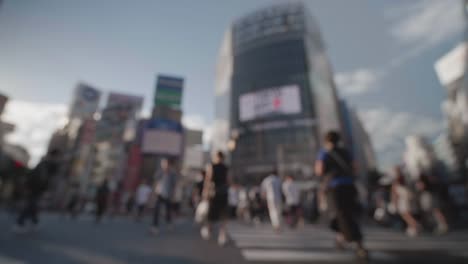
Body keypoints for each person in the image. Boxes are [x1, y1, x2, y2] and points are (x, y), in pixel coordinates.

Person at [314, 131, 367, 259]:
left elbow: (319, 171)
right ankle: (341, 239)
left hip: (335, 187)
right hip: (350, 186)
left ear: (326, 141)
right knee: (346, 214)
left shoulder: (324, 152)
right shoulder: (346, 152)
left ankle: (359, 245)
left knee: (342, 215)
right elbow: (355, 168)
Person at [14, 149, 60, 233]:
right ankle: (21, 223)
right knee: (31, 204)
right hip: (39, 187)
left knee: (32, 204)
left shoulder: (43, 162)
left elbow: (32, 173)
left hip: (33, 186)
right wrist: (49, 189)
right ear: (56, 156)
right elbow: (51, 178)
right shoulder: (52, 164)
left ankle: (33, 222)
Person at [201, 151, 229, 246]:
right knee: (223, 215)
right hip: (223, 192)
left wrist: (205, 193)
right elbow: (229, 180)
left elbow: (208, 180)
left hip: (214, 193)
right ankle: (222, 235)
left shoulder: (212, 166)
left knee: (211, 213)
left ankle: (209, 229)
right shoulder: (226, 168)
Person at [391, 166, 420, 237]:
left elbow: (395, 194)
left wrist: (394, 203)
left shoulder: (395, 182)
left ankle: (415, 226)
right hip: (408, 198)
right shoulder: (405, 179)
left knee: (406, 215)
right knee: (407, 214)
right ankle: (413, 226)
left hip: (402, 200)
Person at [151, 158, 177, 235]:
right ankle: (154, 226)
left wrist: (173, 194)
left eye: (166, 163)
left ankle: (169, 223)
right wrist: (153, 193)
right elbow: (155, 182)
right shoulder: (159, 172)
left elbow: (174, 185)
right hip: (159, 194)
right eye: (163, 163)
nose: (164, 165)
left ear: (169, 164)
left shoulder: (172, 173)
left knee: (168, 210)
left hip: (168, 194)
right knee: (156, 210)